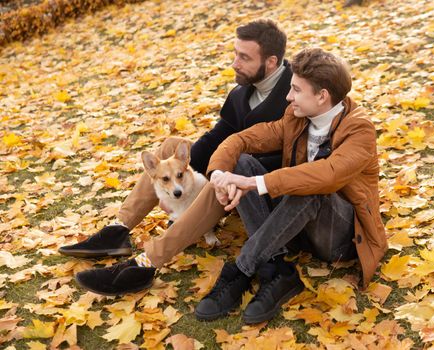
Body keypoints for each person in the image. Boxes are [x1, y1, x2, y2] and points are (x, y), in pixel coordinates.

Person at [75, 48, 388, 325]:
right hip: (293, 228)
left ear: (321, 96)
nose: (288, 96)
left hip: (338, 236)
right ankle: (278, 270)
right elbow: (242, 139)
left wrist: (253, 183)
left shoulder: (359, 128)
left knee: (311, 183)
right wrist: (221, 175)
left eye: (295, 90)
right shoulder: (295, 117)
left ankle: (240, 269)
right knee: (240, 162)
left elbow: (327, 174)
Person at [59, 19, 291, 259]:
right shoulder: (243, 91)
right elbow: (216, 138)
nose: (234, 63)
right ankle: (118, 230)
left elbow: (295, 159)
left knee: (221, 177)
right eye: (235, 54)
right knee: (171, 147)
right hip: (232, 167)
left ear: (271, 61)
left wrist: (211, 178)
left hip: (263, 189)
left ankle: (152, 258)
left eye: (244, 58)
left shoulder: (296, 92)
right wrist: (180, 179)